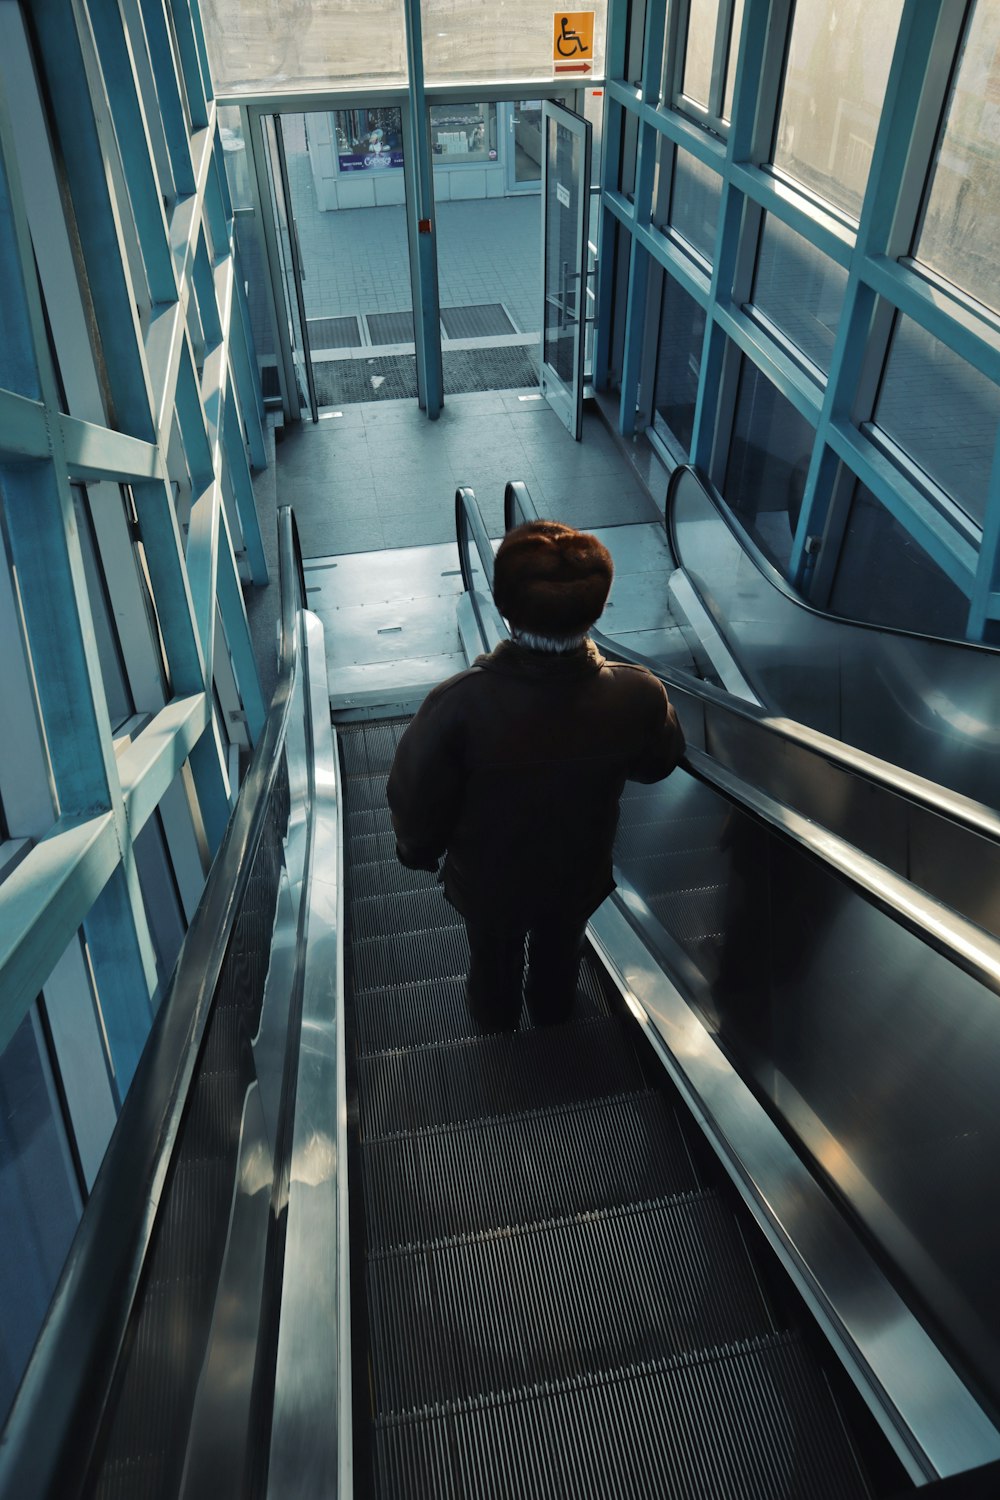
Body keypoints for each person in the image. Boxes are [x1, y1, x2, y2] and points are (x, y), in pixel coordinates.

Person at [386, 520, 685, 1031]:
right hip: (577, 871)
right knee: (561, 946)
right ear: (598, 609)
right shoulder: (638, 694)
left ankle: (495, 1022)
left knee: (492, 956)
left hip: (488, 882)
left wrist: (417, 853)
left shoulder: (457, 705)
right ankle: (553, 1012)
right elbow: (658, 764)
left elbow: (414, 801)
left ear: (505, 609)